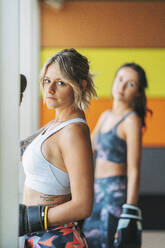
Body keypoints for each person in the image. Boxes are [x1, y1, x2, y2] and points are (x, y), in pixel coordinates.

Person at [19, 48, 97, 247]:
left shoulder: (73, 132)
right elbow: (15, 152)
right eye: (47, 81)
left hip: (58, 238)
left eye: (60, 82)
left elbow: (83, 205)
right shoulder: (54, 125)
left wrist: (30, 218)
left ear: (80, 85)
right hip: (38, 234)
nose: (50, 89)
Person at [82, 63, 152, 248]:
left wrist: (129, 211)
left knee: (110, 243)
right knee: (91, 241)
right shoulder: (105, 116)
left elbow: (134, 170)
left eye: (130, 84)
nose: (121, 87)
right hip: (95, 191)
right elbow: (86, 150)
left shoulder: (131, 121)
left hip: (115, 195)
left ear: (138, 92)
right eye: (120, 79)